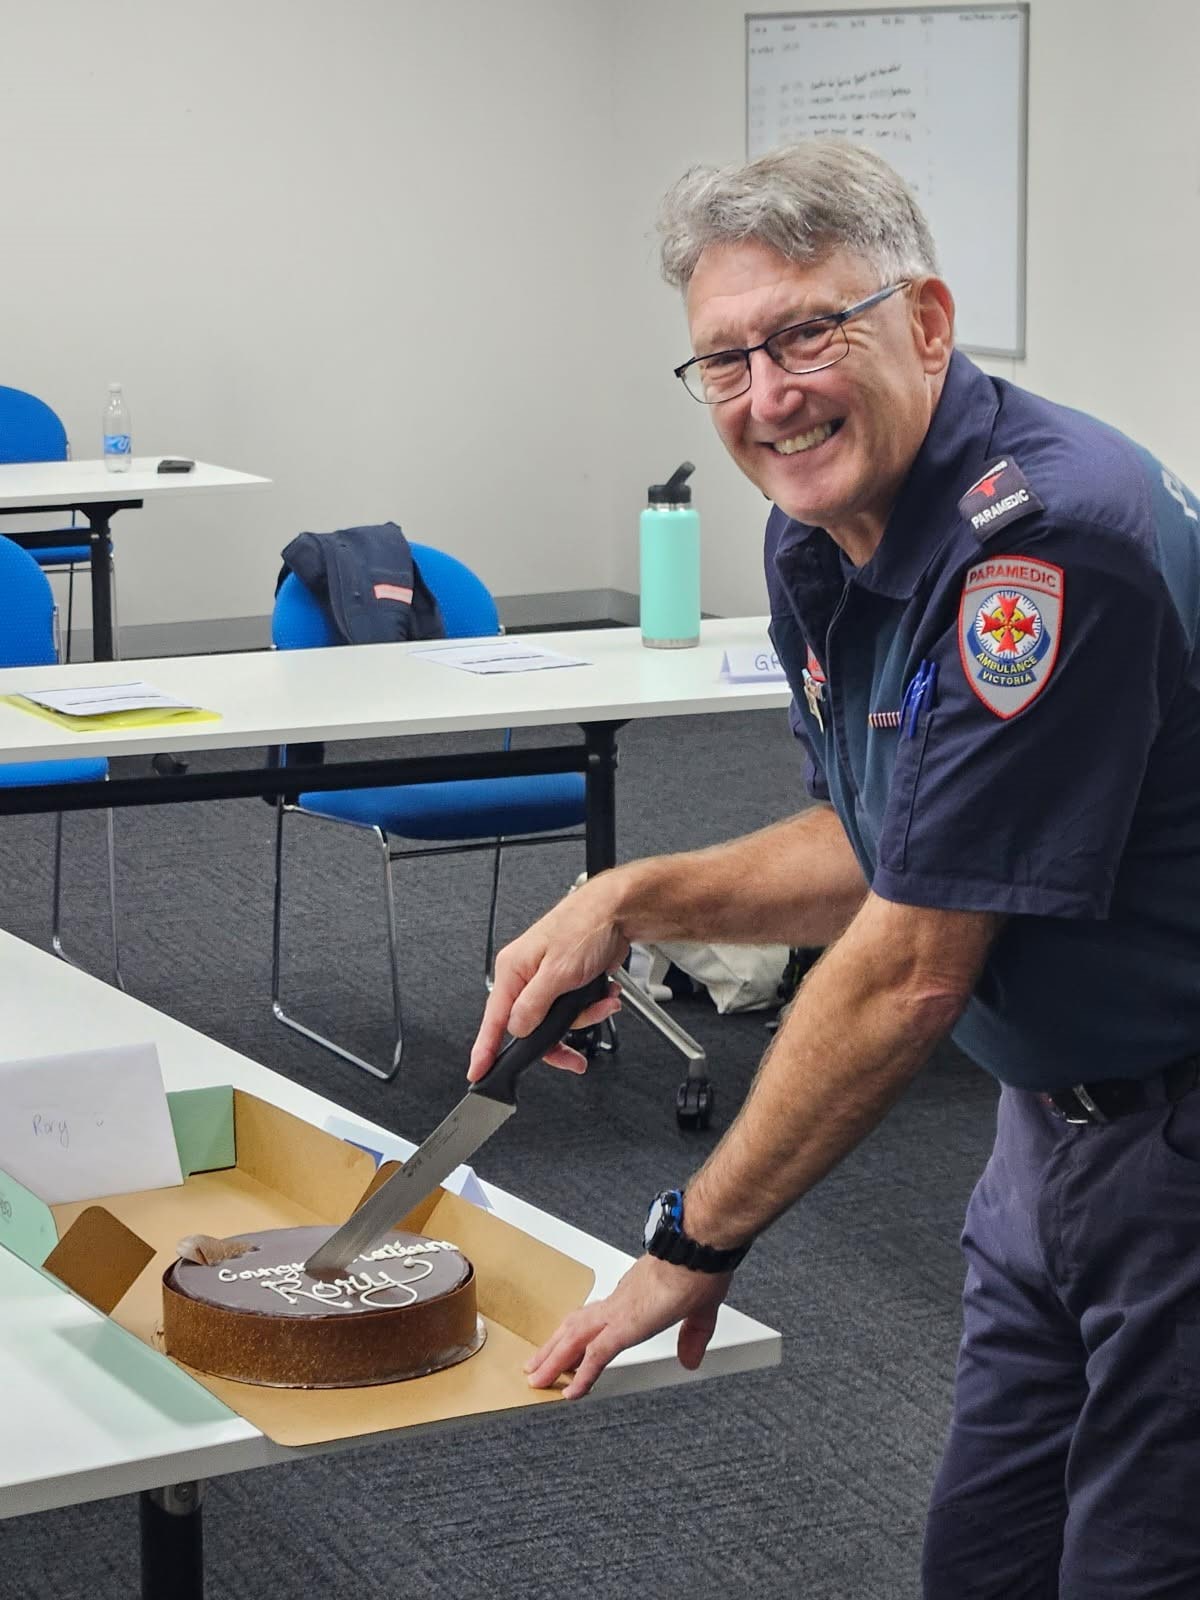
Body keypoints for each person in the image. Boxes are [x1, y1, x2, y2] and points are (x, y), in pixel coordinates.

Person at [468, 140, 1200, 1598]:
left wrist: (697, 1234)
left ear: (925, 321)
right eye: (725, 359)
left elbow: (912, 968)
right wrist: (632, 895)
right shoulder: (829, 527)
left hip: (1173, 1145)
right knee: (983, 1564)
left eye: (808, 334)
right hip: (1043, 1138)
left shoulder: (1042, 546)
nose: (769, 395)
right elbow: (883, 844)